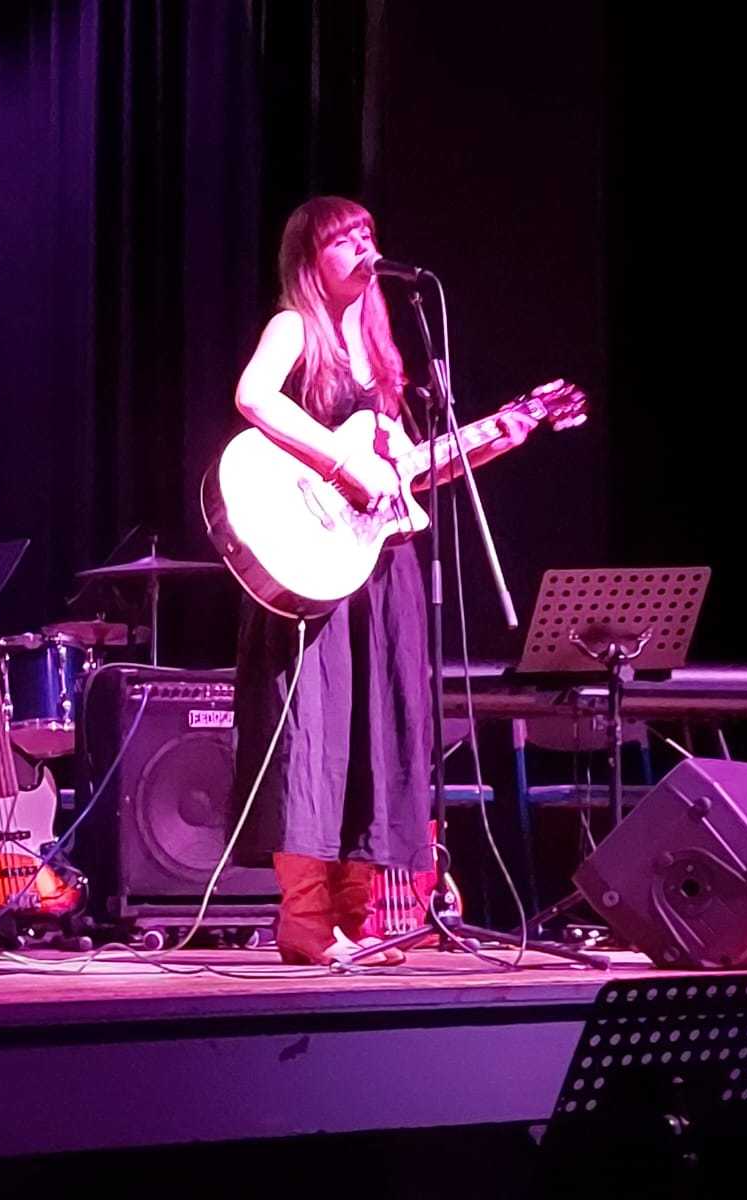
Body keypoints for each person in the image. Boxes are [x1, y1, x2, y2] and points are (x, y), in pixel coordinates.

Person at [229, 196, 536, 965]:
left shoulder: (385, 354)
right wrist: (339, 460)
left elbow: (403, 478)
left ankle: (356, 918)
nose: (363, 248)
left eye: (368, 234)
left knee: (380, 731)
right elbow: (253, 398)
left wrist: (497, 436)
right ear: (311, 259)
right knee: (313, 734)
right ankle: (303, 921)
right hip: (309, 563)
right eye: (344, 239)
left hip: (378, 563)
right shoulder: (294, 328)